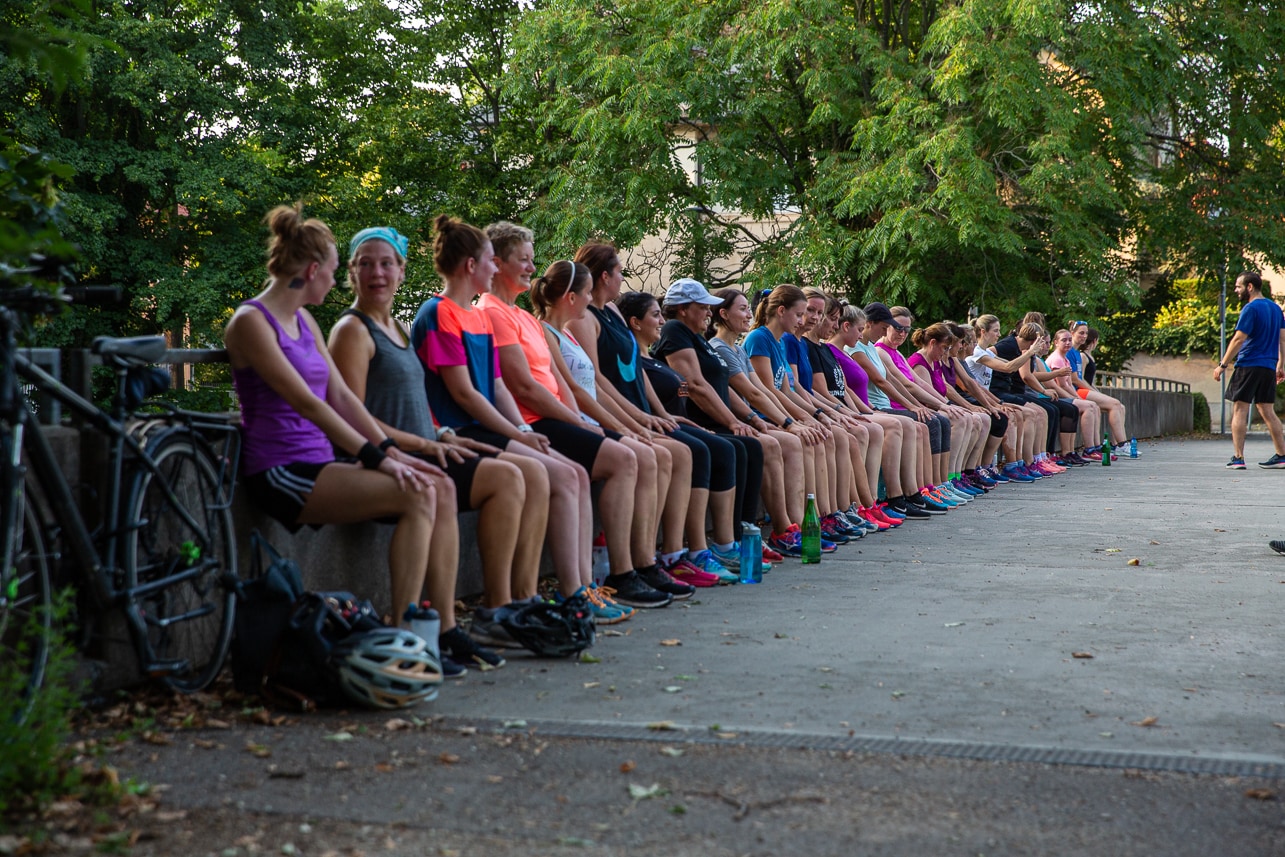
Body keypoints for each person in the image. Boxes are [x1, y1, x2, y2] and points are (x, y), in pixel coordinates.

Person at [224, 203, 502, 674]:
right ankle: (406, 632)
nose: (335, 281)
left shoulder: (305, 322)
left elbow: (342, 398)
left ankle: (443, 629)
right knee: (419, 494)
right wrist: (381, 459)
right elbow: (312, 404)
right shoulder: (250, 322)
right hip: (284, 472)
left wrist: (392, 452)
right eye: (335, 271)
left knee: (438, 484)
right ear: (312, 271)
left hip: (320, 464)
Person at [410, 215, 646, 624]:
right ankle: (512, 602)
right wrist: (519, 431)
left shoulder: (478, 316)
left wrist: (520, 431)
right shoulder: (443, 312)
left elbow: (498, 384)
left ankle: (542, 594)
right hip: (457, 432)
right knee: (547, 473)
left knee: (567, 473)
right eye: (495, 260)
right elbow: (467, 392)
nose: (530, 269)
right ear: (479, 265)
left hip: (493, 427)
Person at [328, 226, 552, 654]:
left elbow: (414, 402)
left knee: (510, 477)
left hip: (429, 444)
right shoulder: (353, 331)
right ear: (351, 273)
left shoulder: (394, 327)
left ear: (402, 271)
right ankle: (465, 618)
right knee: (504, 478)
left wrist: (440, 434)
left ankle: (469, 620)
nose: (378, 272)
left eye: (388, 263)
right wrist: (425, 445)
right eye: (367, 264)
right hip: (389, 457)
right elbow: (352, 416)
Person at [480, 222, 680, 606]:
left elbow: (561, 382)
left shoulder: (522, 317)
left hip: (555, 418)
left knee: (629, 456)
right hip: (535, 421)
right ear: (496, 262)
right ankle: (615, 575)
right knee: (624, 458)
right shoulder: (493, 312)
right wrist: (586, 424)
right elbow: (524, 388)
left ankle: (606, 578)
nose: (530, 267)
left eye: (531, 259)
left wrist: (590, 424)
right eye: (523, 260)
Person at [1213, 272, 1285, 469]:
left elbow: (1238, 338)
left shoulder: (1250, 308)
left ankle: (1238, 458)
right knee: (1267, 410)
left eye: (1238, 286)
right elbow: (1283, 339)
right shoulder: (1275, 308)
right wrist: (1281, 364)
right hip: (1268, 366)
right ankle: (1282, 455)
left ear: (1250, 287)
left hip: (1249, 364)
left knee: (1240, 409)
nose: (1236, 290)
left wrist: (1222, 364)